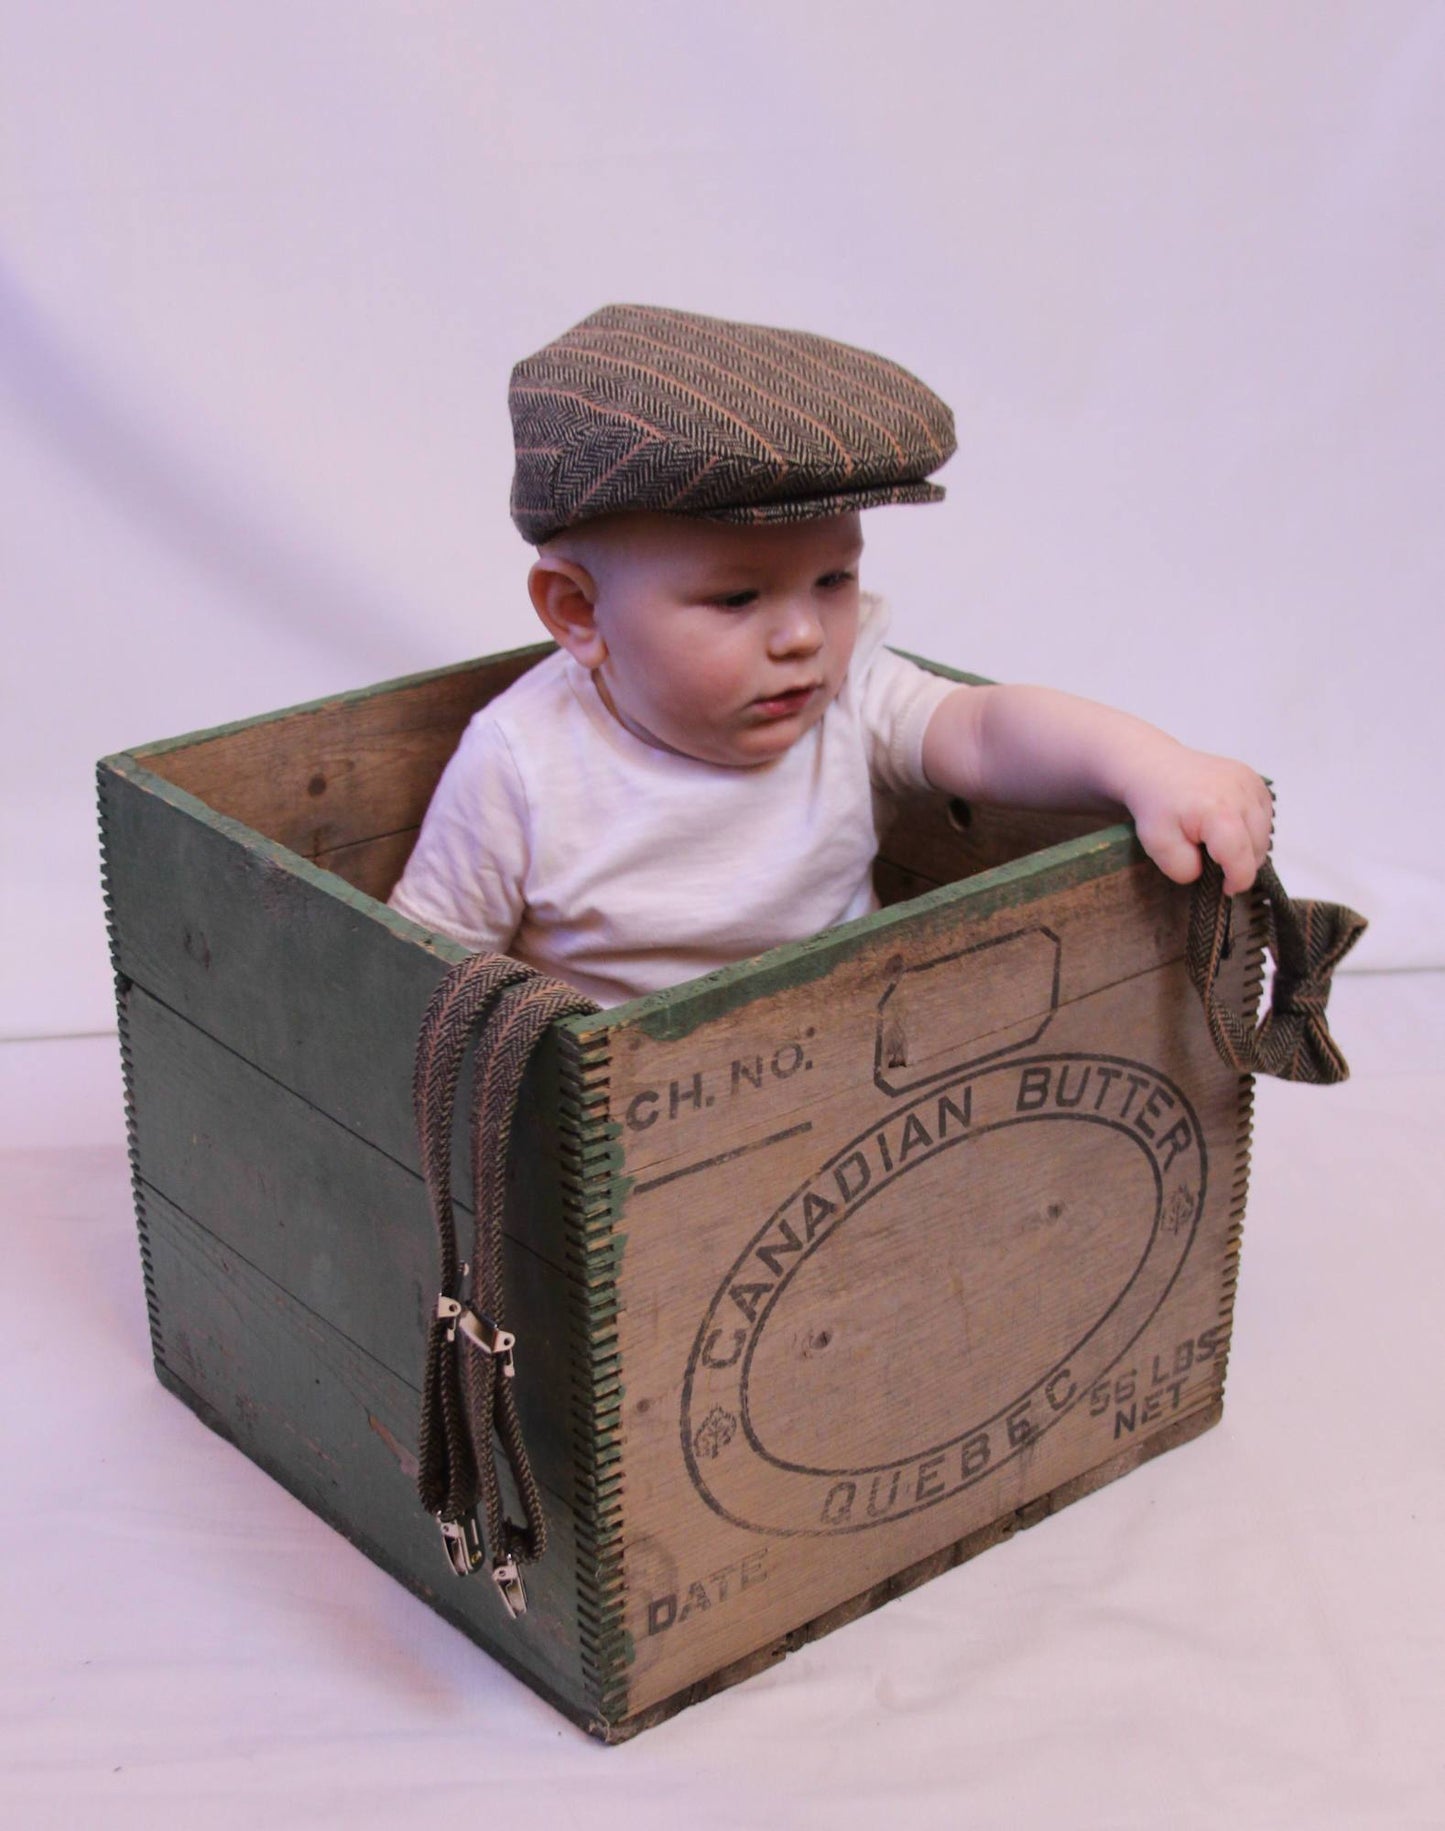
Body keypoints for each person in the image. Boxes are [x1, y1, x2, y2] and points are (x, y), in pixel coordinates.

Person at [388, 304, 1271, 1008]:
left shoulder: (846, 698)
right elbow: (421, 977)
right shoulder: (521, 766)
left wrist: (1150, 764)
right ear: (578, 611)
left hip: (847, 1066)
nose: (804, 635)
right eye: (737, 598)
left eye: (832, 579)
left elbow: (986, 729)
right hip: (624, 1131)